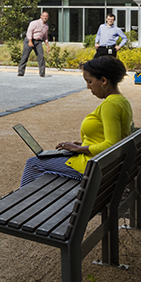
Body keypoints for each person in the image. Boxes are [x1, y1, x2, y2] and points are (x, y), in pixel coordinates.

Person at [19, 55, 132, 187]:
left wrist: (80, 149)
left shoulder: (110, 105)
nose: (88, 87)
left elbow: (111, 145)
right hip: (103, 164)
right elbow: (112, 136)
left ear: (103, 80)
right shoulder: (121, 101)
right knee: (48, 159)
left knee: (33, 163)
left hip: (92, 167)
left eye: (90, 82)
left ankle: (19, 204)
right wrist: (82, 144)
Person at [18, 11, 50, 78]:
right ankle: (21, 72)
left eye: (46, 16)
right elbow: (29, 32)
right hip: (30, 40)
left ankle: (42, 73)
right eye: (44, 16)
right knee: (25, 56)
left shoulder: (46, 26)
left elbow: (45, 37)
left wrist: (47, 46)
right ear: (41, 16)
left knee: (41, 57)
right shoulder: (34, 23)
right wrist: (30, 41)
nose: (45, 17)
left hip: (38, 42)